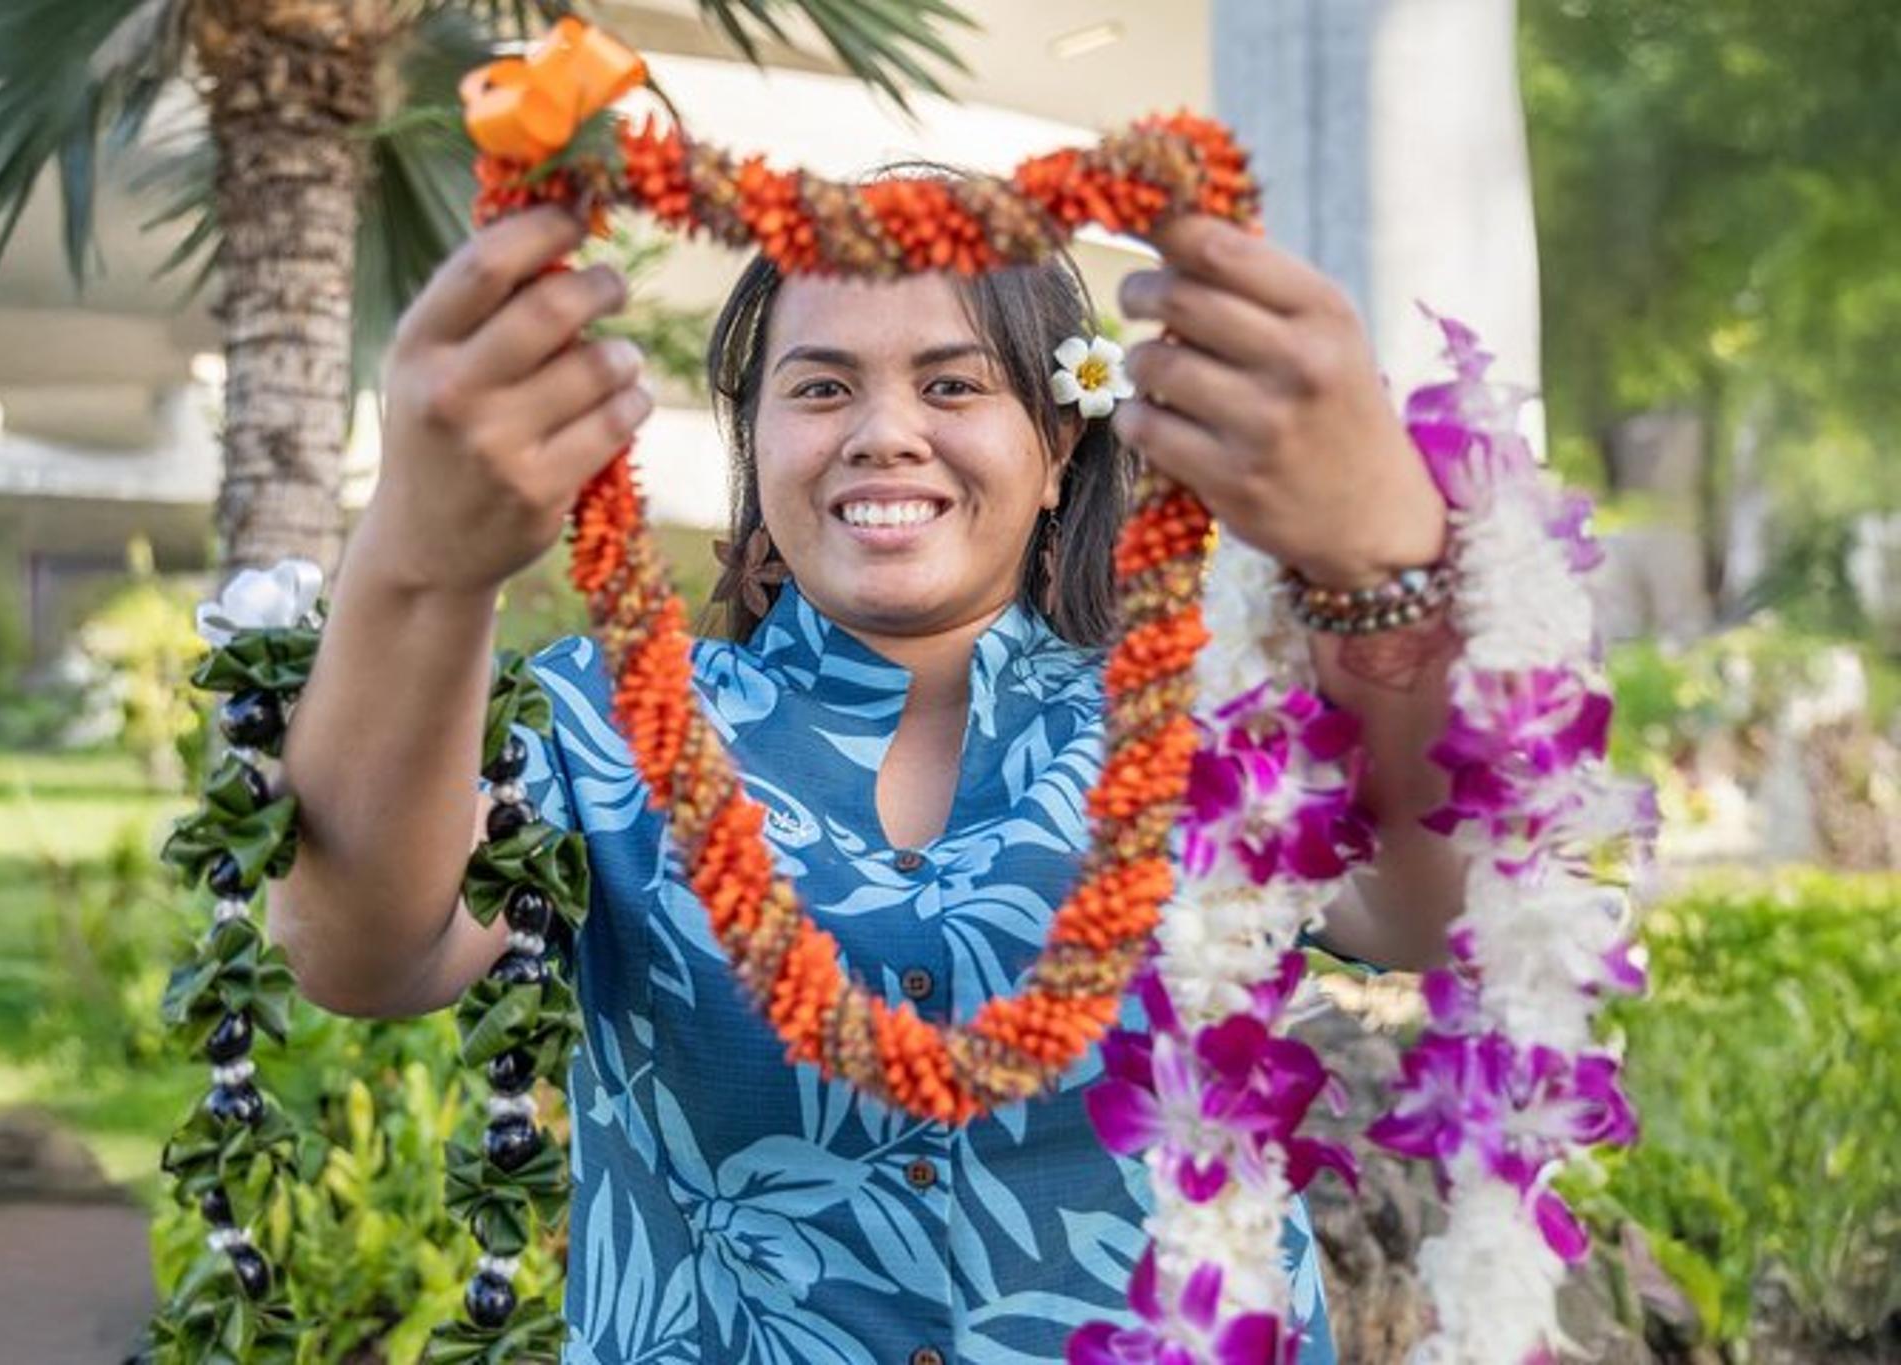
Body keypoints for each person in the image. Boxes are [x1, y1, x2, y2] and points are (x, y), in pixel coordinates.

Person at [273, 196, 1470, 1363]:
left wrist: (1381, 558)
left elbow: (1432, 907)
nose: (883, 432)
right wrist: (419, 559)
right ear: (754, 438)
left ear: (1058, 445)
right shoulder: (604, 718)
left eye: (952, 385)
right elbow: (368, 955)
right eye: (821, 387)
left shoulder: (1208, 712)